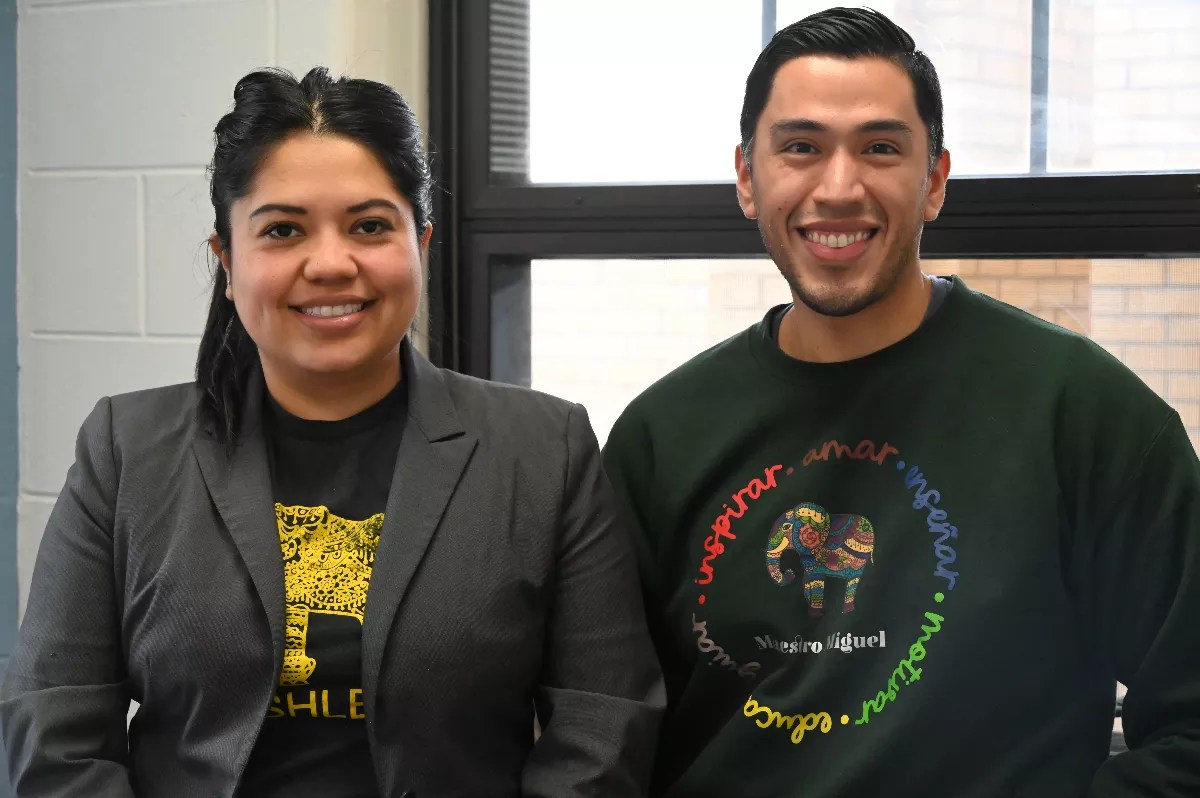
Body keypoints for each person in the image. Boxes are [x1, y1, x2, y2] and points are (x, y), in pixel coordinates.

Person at [1, 67, 663, 798]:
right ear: (227, 261)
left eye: (370, 226)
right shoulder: (126, 449)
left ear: (422, 242)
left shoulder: (545, 450)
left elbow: (604, 727)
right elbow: (54, 731)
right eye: (283, 230)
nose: (330, 263)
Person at [601, 7, 1200, 796]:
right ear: (749, 179)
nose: (839, 187)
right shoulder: (660, 435)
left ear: (936, 180)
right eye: (802, 149)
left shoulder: (1082, 413)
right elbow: (604, 729)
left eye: (881, 148)